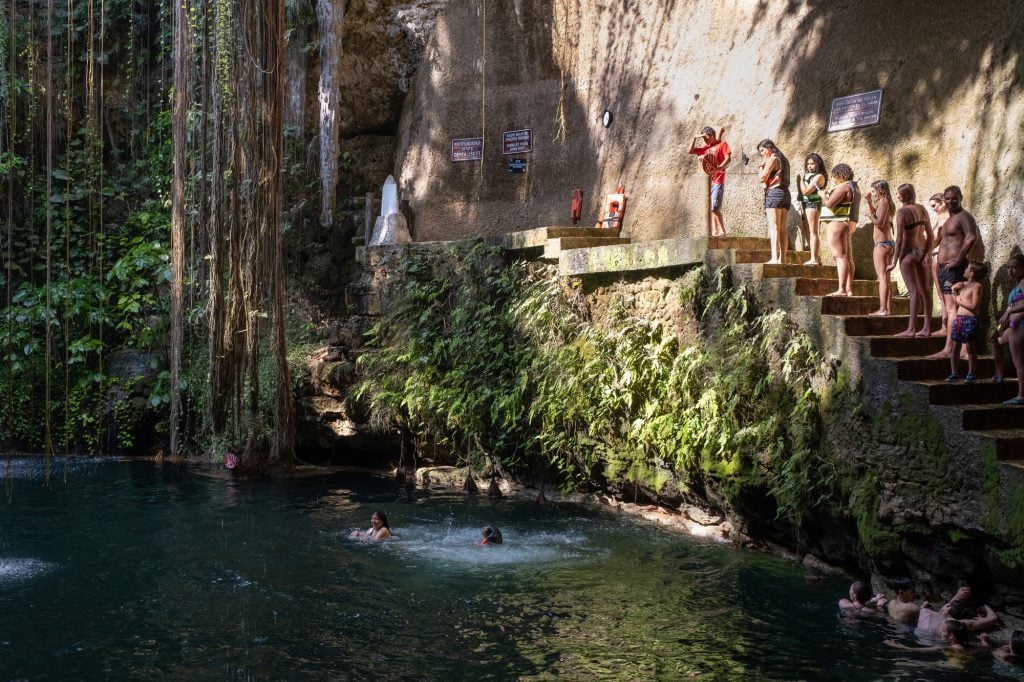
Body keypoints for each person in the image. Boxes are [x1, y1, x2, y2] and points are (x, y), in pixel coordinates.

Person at [928, 186, 979, 359]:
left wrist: (958, 260)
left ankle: (949, 349)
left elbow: (971, 237)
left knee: (952, 309)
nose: (950, 201)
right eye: (948, 198)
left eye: (954, 198)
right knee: (952, 308)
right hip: (944, 268)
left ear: (960, 198)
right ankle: (961, 349)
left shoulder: (964, 216)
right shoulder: (950, 218)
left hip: (953, 268)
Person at [889, 183, 934, 336]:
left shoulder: (902, 212)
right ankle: (927, 328)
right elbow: (931, 236)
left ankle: (911, 329)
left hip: (908, 254)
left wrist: (894, 261)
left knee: (914, 291)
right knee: (926, 290)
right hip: (921, 251)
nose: (896, 196)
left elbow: (899, 240)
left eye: (898, 194)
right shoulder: (922, 209)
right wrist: (928, 253)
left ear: (903, 196)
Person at [991, 253, 1024, 404]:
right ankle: (999, 374)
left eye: (1014, 268)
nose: (1010, 271)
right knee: (996, 341)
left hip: (1020, 327)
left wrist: (1011, 311)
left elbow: (1012, 310)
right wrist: (998, 329)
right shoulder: (1017, 284)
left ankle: (1021, 396)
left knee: (1018, 362)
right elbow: (1007, 313)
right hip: (1012, 326)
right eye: (1008, 267)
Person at [946, 261, 987, 383]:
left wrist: (957, 299)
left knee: (970, 347)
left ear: (972, 273)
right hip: (959, 319)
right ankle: (954, 372)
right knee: (955, 347)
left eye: (967, 268)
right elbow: (949, 285)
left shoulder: (977, 286)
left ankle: (971, 373)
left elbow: (974, 305)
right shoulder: (963, 284)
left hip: (970, 319)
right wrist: (953, 287)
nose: (964, 270)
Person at [820, 164, 856, 296]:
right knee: (847, 257)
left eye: (834, 176)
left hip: (836, 223)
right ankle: (848, 289)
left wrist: (822, 195)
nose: (833, 179)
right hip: (844, 223)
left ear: (840, 175)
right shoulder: (852, 186)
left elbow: (829, 204)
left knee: (839, 257)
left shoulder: (844, 186)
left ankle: (841, 289)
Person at [689, 126, 732, 237]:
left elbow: (728, 158)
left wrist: (720, 167)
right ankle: (715, 231)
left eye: (706, 138)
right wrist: (694, 138)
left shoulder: (722, 145)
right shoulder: (706, 148)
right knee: (711, 209)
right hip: (709, 183)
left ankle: (722, 231)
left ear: (711, 135)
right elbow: (691, 151)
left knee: (714, 208)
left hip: (718, 181)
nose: (704, 141)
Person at [757, 139, 790, 265]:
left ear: (769, 149)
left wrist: (760, 168)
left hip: (774, 193)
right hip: (785, 194)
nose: (761, 153)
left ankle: (774, 258)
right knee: (782, 228)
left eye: (762, 150)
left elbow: (762, 178)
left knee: (774, 227)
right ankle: (783, 259)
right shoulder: (784, 159)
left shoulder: (772, 159)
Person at [865, 180, 895, 316]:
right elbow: (879, 217)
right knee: (886, 280)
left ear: (880, 190)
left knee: (882, 279)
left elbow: (879, 223)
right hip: (888, 244)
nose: (873, 194)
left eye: (873, 191)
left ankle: (883, 309)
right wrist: (869, 202)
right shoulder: (888, 204)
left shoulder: (884, 203)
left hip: (881, 245)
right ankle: (887, 309)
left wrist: (869, 215)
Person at [916, 586, 998, 635]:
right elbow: (993, 618)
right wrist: (983, 604)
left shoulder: (925, 612)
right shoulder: (960, 625)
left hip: (921, 637)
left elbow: (943, 612)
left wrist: (957, 597)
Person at [796, 153, 826, 265]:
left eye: (812, 163)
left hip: (813, 203)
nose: (809, 166)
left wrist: (801, 182)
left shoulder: (819, 176)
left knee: (813, 231)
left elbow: (806, 191)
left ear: (818, 164)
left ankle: (814, 258)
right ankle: (815, 256)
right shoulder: (808, 174)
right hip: (805, 204)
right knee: (805, 230)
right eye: (808, 164)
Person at [928, 193, 950, 337]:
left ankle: (945, 327)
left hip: (939, 256)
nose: (933, 209)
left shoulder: (945, 218)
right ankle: (945, 326)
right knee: (943, 294)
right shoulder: (949, 217)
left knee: (943, 294)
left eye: (934, 206)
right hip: (938, 255)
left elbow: (935, 239)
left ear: (942, 202)